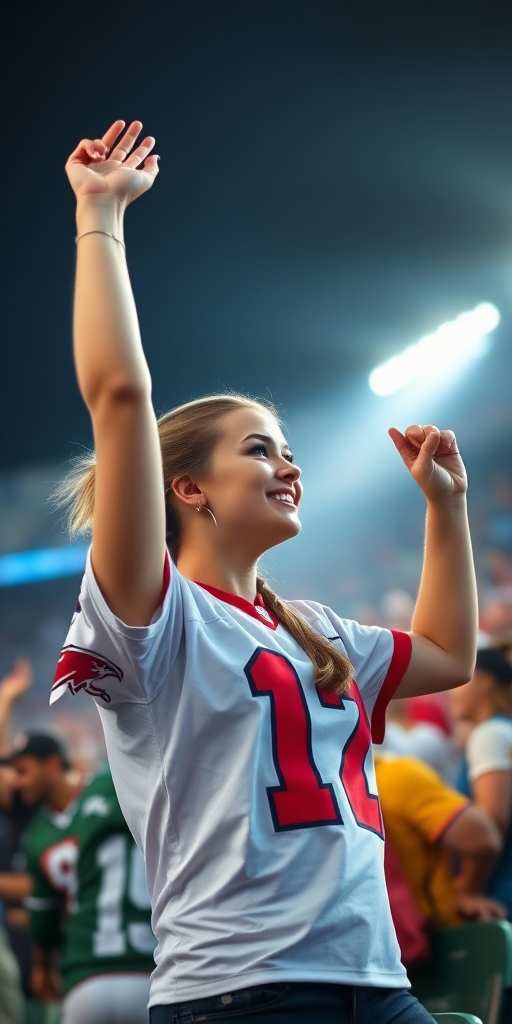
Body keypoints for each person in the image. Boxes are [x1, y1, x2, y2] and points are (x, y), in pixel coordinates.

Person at [50, 118, 479, 1024]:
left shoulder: (311, 628)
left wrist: (447, 508)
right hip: (241, 992)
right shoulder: (156, 617)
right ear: (190, 489)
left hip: (377, 984)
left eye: (288, 449)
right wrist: (101, 219)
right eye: (259, 449)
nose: (289, 466)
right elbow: (122, 400)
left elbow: (448, 652)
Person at [8, 737, 155, 1024]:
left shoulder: (45, 835)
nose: (17, 782)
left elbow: (43, 918)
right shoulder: (109, 788)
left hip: (86, 971)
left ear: (51, 764)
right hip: (151, 969)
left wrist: (42, 965)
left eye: (24, 771)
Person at [374, 751, 504, 966]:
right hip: (441, 944)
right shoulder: (395, 776)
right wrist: (470, 891)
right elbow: (483, 838)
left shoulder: (320, 798)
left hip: (369, 960)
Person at [447, 643, 512, 919]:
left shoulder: (490, 734)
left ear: (484, 682)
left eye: (460, 682)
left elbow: (492, 821)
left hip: (497, 898)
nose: (451, 693)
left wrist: (468, 890)